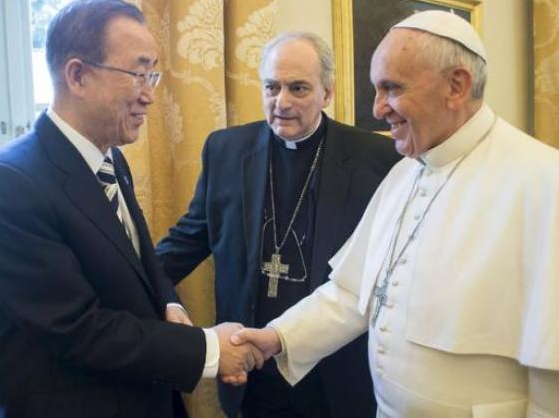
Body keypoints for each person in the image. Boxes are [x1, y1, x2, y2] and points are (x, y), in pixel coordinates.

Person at [232, 11, 559, 417]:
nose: (376, 109)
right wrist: (278, 336)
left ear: (456, 86)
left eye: (391, 88)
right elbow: (355, 293)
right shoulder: (405, 173)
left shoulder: (558, 188)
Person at [0, 0, 262, 418]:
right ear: (78, 76)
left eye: (152, 76)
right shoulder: (3, 185)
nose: (149, 96)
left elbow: (137, 262)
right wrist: (209, 349)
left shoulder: (111, 160)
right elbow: (76, 329)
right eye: (138, 74)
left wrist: (168, 304)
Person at [155, 32, 399, 417]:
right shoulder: (226, 151)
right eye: (272, 87)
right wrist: (154, 290)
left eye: (298, 88)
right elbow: (187, 240)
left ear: (327, 92)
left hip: (335, 374)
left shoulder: (377, 159)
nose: (281, 102)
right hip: (252, 370)